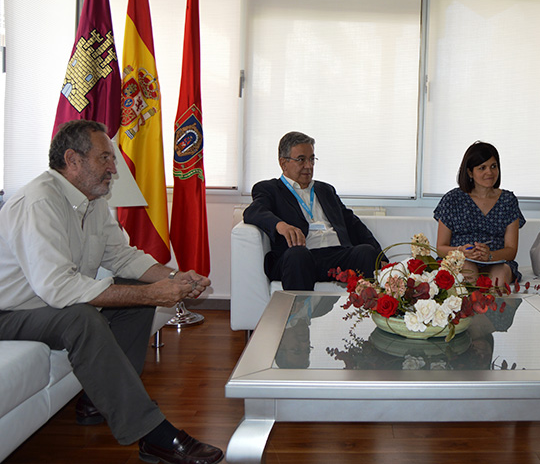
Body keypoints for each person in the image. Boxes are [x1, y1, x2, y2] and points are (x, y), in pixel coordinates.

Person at [0, 120, 223, 464]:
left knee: (138, 286)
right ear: (72, 160)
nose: (113, 168)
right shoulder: (39, 203)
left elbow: (122, 256)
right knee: (82, 318)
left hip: (44, 305)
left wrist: (176, 278)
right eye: (105, 158)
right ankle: (153, 435)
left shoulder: (92, 201)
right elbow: (59, 289)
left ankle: (95, 398)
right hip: (11, 314)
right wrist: (153, 295)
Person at [243, 131, 385, 291]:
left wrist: (382, 258)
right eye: (301, 159)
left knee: (365, 252)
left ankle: (365, 314)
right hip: (302, 256)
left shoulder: (325, 190)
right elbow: (253, 211)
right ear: (283, 163)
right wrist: (281, 225)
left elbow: (352, 223)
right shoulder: (270, 189)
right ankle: (299, 316)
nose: (309, 166)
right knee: (298, 255)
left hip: (337, 255)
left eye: (312, 159)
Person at [433, 141, 526, 287]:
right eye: (482, 168)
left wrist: (489, 256)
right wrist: (461, 252)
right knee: (467, 272)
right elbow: (441, 247)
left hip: (496, 261)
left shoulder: (508, 200)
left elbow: (511, 250)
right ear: (470, 172)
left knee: (499, 279)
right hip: (461, 260)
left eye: (493, 166)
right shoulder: (452, 199)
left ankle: (493, 310)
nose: (489, 172)